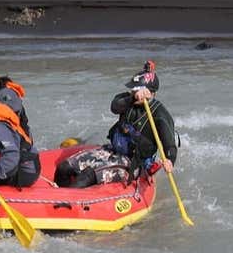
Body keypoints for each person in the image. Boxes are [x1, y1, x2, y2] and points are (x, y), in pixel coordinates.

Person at [54, 60, 177, 188]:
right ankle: (57, 197)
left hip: (134, 161)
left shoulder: (160, 115)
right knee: (64, 168)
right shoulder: (129, 100)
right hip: (113, 150)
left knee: (87, 176)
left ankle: (69, 200)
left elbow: (170, 146)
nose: (132, 92)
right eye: (132, 90)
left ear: (150, 93)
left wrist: (170, 160)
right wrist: (133, 98)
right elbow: (114, 106)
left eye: (136, 90)